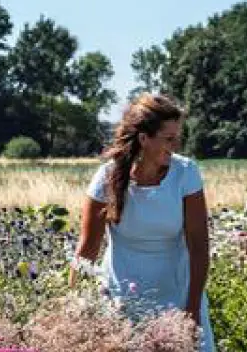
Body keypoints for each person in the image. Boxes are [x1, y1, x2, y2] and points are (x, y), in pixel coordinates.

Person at [69, 93, 216, 351]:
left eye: (177, 138)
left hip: (178, 297)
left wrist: (192, 310)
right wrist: (75, 304)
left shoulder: (186, 173)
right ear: (144, 138)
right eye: (168, 139)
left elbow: (199, 247)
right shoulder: (106, 178)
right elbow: (87, 249)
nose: (176, 146)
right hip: (122, 301)